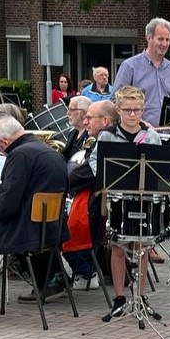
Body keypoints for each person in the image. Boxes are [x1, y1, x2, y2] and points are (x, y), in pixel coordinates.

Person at [0, 117, 70, 313]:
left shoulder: (19, 155)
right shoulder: (51, 152)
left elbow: (8, 204)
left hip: (24, 232)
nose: (0, 153)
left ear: (3, 142)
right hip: (50, 230)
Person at [100, 86, 165, 320]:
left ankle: (140, 295)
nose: (133, 114)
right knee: (118, 246)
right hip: (119, 198)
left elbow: (161, 169)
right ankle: (119, 297)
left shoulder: (152, 136)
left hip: (144, 198)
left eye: (137, 110)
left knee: (142, 247)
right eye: (127, 110)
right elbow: (97, 166)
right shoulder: (107, 136)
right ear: (118, 109)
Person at [63, 100, 114, 292]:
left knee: (50, 226)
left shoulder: (106, 143)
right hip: (88, 201)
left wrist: (62, 175)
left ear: (105, 121)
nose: (85, 123)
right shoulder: (95, 139)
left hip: (95, 208)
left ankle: (85, 271)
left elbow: (78, 176)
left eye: (89, 118)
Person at [114, 18, 170, 125]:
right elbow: (115, 102)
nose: (164, 44)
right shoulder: (129, 66)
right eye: (160, 39)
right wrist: (141, 123)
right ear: (148, 38)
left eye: (167, 40)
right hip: (139, 135)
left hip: (169, 135)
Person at [60, 96, 91, 161]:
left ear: (83, 113)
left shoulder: (91, 134)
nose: (68, 113)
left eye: (71, 110)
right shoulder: (72, 132)